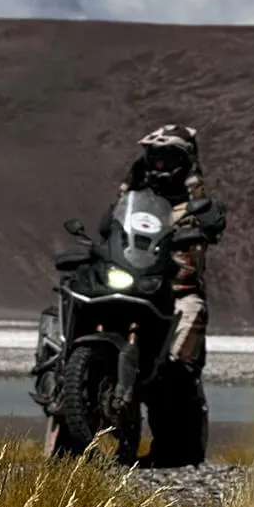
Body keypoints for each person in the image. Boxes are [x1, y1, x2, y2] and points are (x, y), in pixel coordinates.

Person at [42, 124, 226, 466]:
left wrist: (201, 210)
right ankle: (67, 412)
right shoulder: (132, 198)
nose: (158, 166)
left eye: (166, 157)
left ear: (184, 160)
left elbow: (214, 223)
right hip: (131, 279)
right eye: (152, 157)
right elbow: (105, 227)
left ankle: (175, 447)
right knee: (76, 294)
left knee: (181, 361)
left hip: (177, 289)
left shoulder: (195, 201)